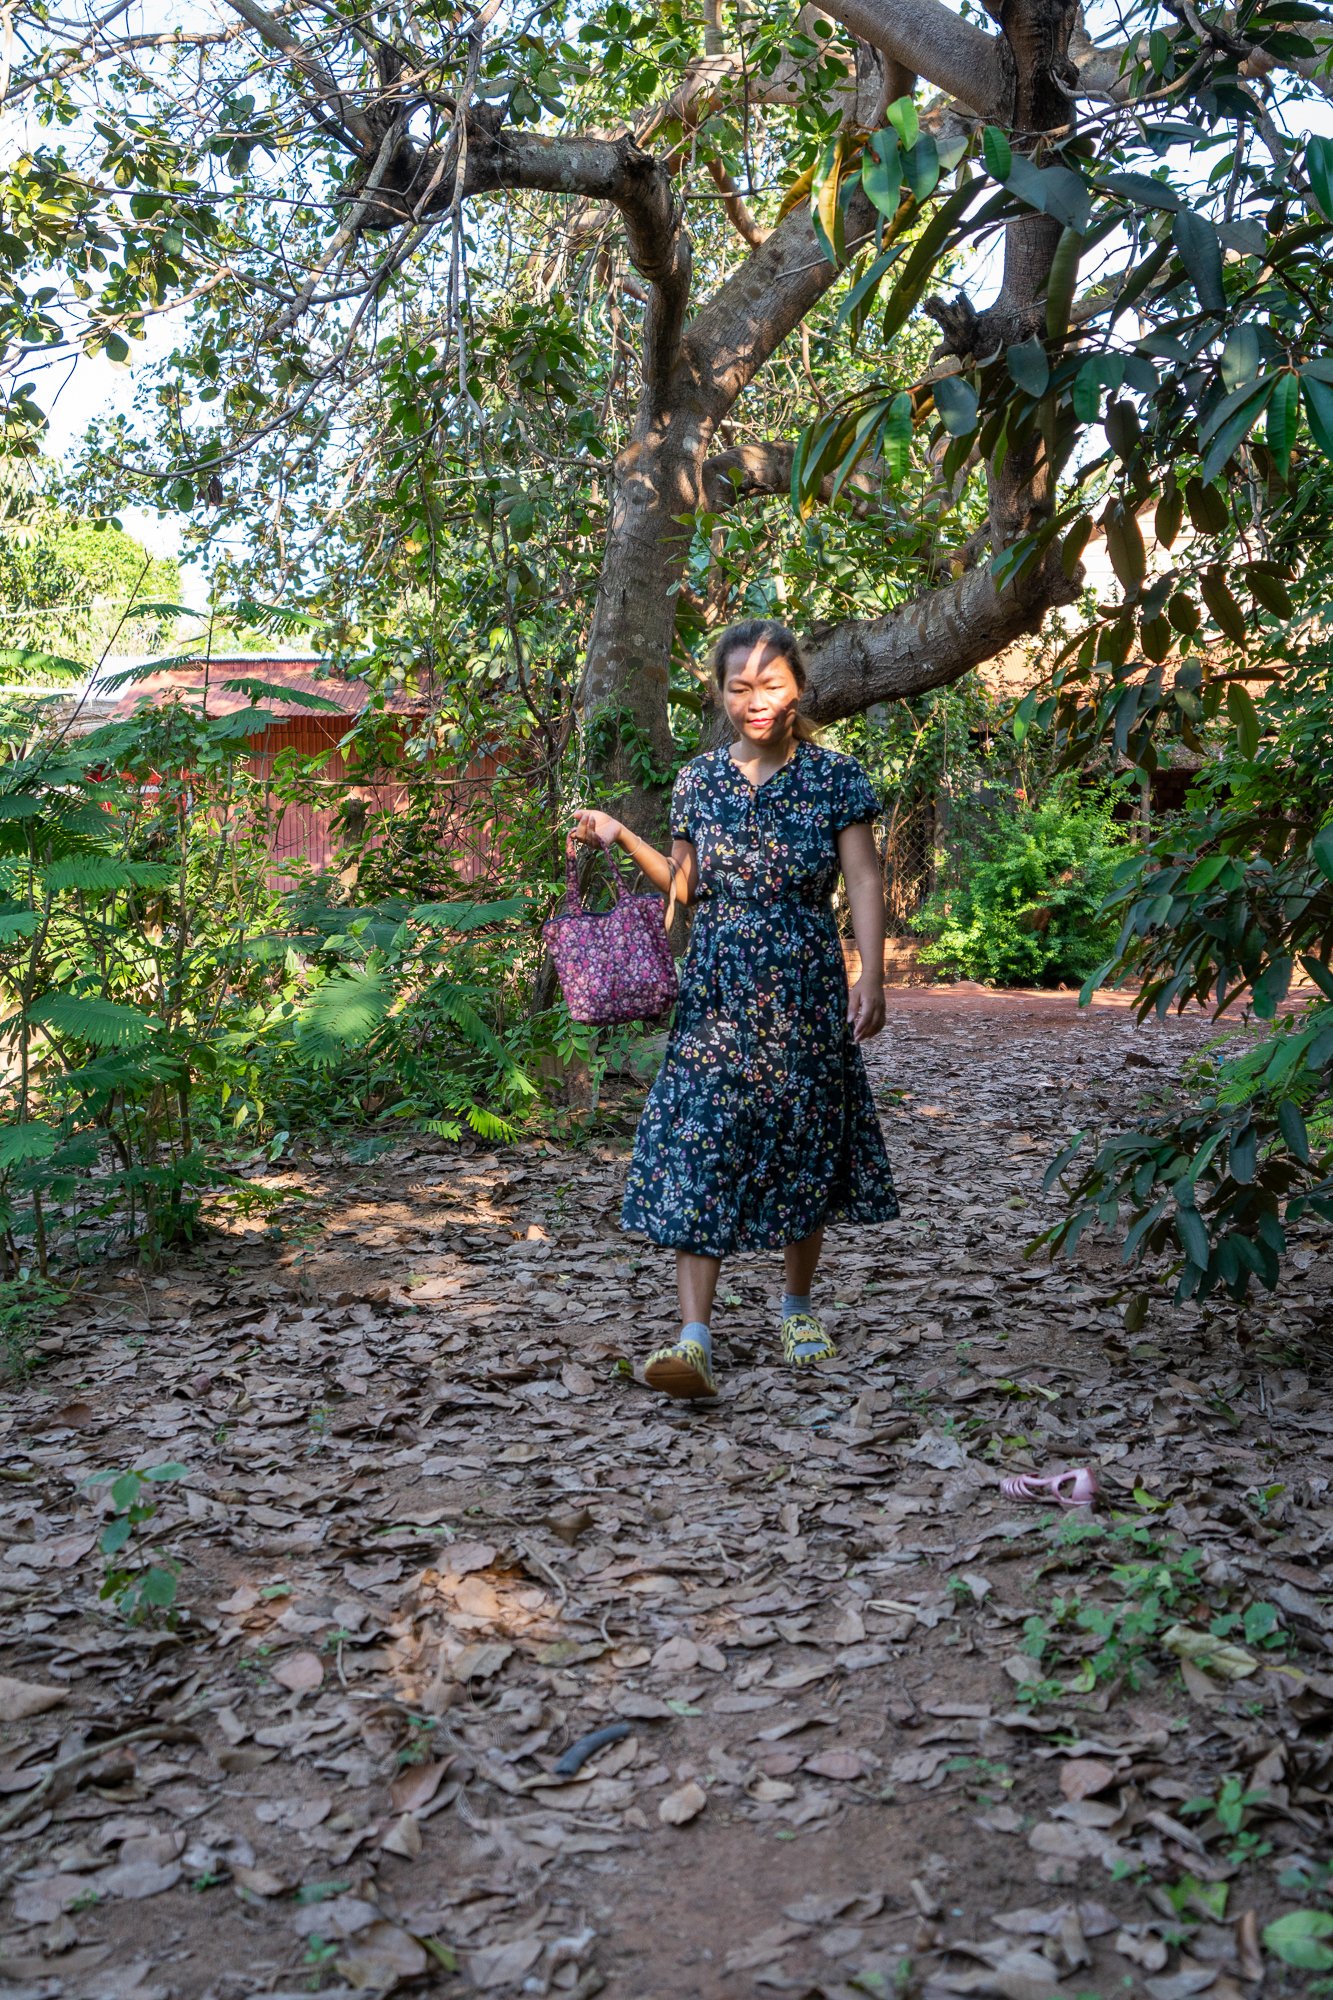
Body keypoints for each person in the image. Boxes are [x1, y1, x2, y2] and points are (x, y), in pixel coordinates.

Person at [569, 617, 898, 1400]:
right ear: (719, 694)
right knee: (702, 1140)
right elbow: (684, 889)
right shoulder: (699, 779)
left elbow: (861, 880)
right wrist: (619, 834)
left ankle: (795, 1308)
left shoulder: (836, 777)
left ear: (799, 689)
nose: (756, 700)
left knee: (804, 1134)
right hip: (716, 984)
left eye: (771, 685)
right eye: (739, 687)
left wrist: (873, 972)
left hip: (806, 980)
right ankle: (693, 1338)